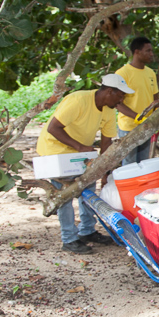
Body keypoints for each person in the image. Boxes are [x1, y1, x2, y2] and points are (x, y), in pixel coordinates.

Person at [36, 74, 133, 254]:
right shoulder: (78, 100)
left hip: (79, 153)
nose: (121, 101)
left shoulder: (108, 110)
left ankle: (87, 230)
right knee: (65, 194)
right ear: (109, 91)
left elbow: (106, 142)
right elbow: (53, 128)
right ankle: (69, 239)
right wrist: (80, 147)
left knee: (88, 189)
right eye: (120, 96)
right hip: (55, 151)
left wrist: (103, 170)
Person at [115, 36, 159, 166]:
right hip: (128, 127)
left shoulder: (151, 73)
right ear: (137, 52)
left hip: (147, 126)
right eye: (148, 51)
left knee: (144, 163)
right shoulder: (122, 73)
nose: (151, 54)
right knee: (129, 165)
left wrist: (155, 119)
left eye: (151, 51)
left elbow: (156, 99)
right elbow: (117, 103)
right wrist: (138, 117)